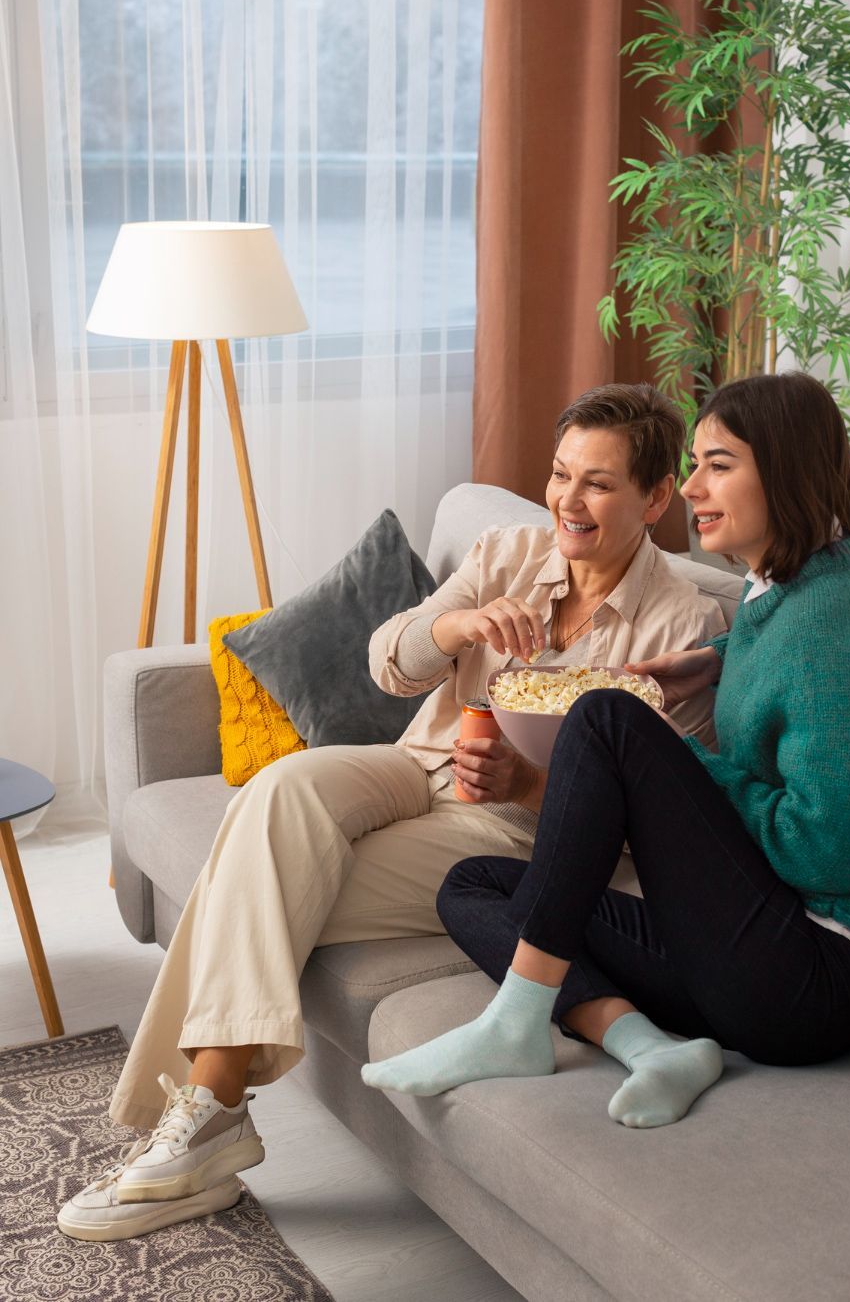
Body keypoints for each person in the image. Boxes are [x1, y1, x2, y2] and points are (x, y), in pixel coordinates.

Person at [58, 382, 725, 1241]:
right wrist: (460, 627)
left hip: (512, 831)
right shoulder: (509, 551)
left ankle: (207, 1112)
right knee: (279, 792)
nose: (569, 499)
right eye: (561, 475)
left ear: (656, 497)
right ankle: (208, 1119)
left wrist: (526, 784)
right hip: (411, 765)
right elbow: (389, 664)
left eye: (598, 483)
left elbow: (651, 817)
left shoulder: (683, 624)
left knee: (266, 876)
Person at [361, 373, 850, 1132]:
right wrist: (715, 659)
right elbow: (789, 660)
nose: (694, 486)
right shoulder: (810, 578)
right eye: (696, 463)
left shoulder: (831, 633)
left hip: (810, 982)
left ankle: (515, 1024)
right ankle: (649, 1048)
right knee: (474, 885)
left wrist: (678, 753)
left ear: (787, 469)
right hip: (756, 946)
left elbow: (825, 856)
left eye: (719, 465)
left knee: (607, 716)